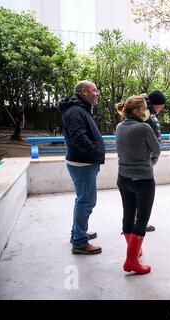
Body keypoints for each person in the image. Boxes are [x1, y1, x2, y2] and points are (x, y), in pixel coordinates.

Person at [115, 95, 161, 274]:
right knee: (141, 219)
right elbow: (156, 149)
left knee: (128, 215)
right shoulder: (144, 128)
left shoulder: (120, 127)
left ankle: (134, 251)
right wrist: (146, 152)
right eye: (143, 108)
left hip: (123, 178)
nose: (145, 111)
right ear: (135, 111)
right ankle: (131, 261)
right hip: (143, 180)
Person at [59, 80, 104, 254]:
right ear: (84, 92)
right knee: (86, 201)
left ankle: (78, 233)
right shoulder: (75, 111)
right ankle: (79, 242)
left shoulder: (81, 109)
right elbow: (79, 138)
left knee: (83, 200)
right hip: (83, 163)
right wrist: (94, 152)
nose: (97, 93)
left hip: (84, 162)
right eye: (95, 90)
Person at [140, 89, 166, 232]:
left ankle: (137, 221)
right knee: (144, 194)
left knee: (139, 193)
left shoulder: (145, 112)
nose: (161, 110)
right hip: (144, 161)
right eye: (161, 106)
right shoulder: (146, 115)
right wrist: (154, 154)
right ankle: (140, 224)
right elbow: (150, 138)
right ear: (155, 104)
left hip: (142, 159)